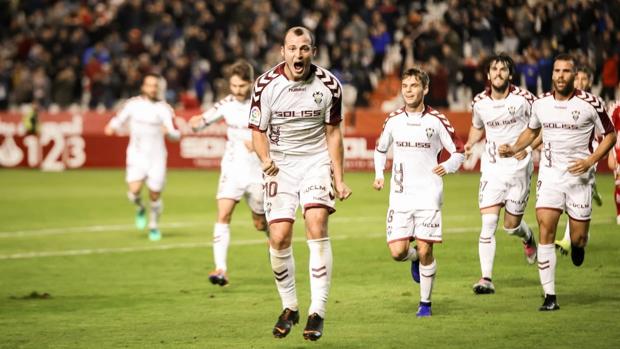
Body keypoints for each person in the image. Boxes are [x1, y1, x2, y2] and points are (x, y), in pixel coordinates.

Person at [249, 26, 352, 341]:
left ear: (313, 51)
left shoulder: (329, 86)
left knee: (316, 224)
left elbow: (333, 134)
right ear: (283, 51)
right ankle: (290, 307)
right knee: (279, 237)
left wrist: (339, 177)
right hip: (280, 165)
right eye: (292, 48)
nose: (298, 54)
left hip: (315, 161)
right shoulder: (265, 85)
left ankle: (317, 311)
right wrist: (265, 159)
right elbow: (257, 131)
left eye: (304, 48)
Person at [498, 54, 616, 311]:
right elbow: (532, 130)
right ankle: (550, 296)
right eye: (557, 71)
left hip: (579, 178)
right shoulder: (540, 104)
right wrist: (515, 146)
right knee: (546, 231)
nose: (561, 75)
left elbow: (610, 136)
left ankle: (577, 245)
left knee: (579, 238)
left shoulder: (591, 103)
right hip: (550, 177)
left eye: (566, 71)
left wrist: (590, 161)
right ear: (551, 75)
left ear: (574, 75)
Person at [373, 67, 465, 317]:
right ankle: (412, 258)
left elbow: (459, 150)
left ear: (425, 89)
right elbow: (380, 149)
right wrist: (379, 175)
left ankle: (425, 304)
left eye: (414, 86)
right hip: (401, 196)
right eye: (405, 86)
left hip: (428, 196)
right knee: (397, 252)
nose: (409, 91)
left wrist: (448, 166)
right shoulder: (393, 120)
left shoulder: (436, 120)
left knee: (426, 249)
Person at [188, 60, 267, 287]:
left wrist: (261, 144)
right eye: (233, 85)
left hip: (257, 172)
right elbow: (202, 121)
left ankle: (274, 241)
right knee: (223, 215)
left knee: (260, 223)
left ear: (251, 83)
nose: (237, 90)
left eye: (242, 86)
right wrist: (195, 123)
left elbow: (277, 133)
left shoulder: (263, 103)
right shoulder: (226, 103)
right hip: (232, 169)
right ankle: (220, 269)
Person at [464, 53, 538, 295]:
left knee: (510, 226)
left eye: (503, 69)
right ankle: (486, 278)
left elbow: (543, 126)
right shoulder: (479, 102)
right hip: (492, 169)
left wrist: (525, 148)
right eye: (494, 69)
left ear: (510, 75)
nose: (498, 73)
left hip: (518, 170)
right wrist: (469, 143)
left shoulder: (525, 99)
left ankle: (527, 238)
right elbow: (477, 127)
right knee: (488, 224)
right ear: (488, 75)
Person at [104, 73, 180, 241]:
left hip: (157, 158)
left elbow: (175, 134)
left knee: (155, 195)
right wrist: (111, 127)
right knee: (134, 191)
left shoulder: (163, 108)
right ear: (143, 87)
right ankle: (139, 208)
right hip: (136, 156)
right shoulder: (133, 105)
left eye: (155, 86)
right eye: (150, 85)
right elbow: (119, 119)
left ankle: (153, 226)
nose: (153, 88)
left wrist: (170, 134)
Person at [552, 65, 604, 253]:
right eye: (578, 79)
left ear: (590, 81)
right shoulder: (566, 101)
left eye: (584, 79)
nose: (580, 82)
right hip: (569, 155)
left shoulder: (594, 103)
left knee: (576, 184)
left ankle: (567, 239)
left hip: (590, 153)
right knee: (576, 187)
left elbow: (606, 131)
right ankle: (594, 191)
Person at [610, 103, 620, 225]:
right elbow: (608, 131)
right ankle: (619, 213)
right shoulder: (615, 108)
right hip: (618, 151)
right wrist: (611, 154)